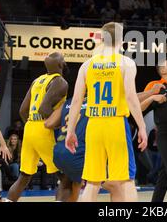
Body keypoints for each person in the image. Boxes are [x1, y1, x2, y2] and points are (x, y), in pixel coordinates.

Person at [65, 22, 148, 202]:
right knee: (126, 179)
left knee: (92, 182)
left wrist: (70, 131)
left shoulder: (87, 65)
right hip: (116, 124)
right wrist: (142, 127)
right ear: (121, 40)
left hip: (94, 125)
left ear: (102, 39)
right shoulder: (126, 63)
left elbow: (77, 101)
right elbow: (132, 98)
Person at [6, 52, 69, 202]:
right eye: (64, 61)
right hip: (44, 129)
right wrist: (62, 126)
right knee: (66, 177)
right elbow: (44, 108)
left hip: (29, 128)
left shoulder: (37, 80)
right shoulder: (60, 82)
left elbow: (22, 110)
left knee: (24, 176)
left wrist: (32, 125)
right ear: (61, 65)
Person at [141, 59, 167, 202]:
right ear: (162, 70)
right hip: (164, 136)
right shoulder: (155, 85)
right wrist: (153, 97)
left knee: (165, 176)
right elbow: (139, 106)